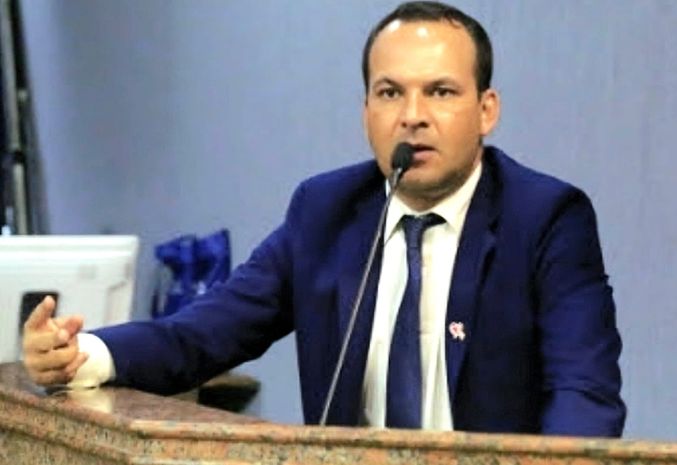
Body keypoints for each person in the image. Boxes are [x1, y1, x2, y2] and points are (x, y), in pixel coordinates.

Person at [21, 1, 626, 436]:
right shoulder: (326, 212)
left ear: (486, 110)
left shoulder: (546, 219)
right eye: (390, 92)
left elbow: (585, 394)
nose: (412, 115)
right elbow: (203, 333)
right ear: (366, 111)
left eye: (440, 92)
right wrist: (83, 354)